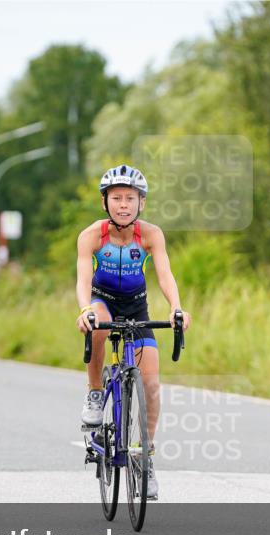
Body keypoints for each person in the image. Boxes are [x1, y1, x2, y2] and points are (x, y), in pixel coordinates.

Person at [76, 165, 192, 501]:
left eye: (130, 198)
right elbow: (84, 279)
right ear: (105, 202)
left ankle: (144, 458)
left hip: (137, 309)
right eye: (116, 198)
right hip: (103, 303)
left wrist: (176, 308)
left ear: (141, 203)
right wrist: (84, 309)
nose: (123, 204)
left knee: (152, 386)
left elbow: (165, 275)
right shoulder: (92, 236)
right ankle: (96, 392)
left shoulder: (151, 235)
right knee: (97, 318)